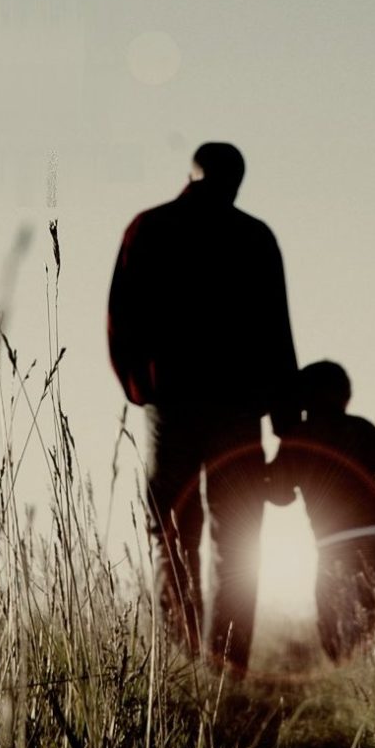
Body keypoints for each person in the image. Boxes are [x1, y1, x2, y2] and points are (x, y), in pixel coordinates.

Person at [107, 142, 298, 672]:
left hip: (176, 403)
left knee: (175, 533)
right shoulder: (253, 238)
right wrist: (284, 427)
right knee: (234, 536)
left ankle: (190, 664)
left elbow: (122, 317)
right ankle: (225, 669)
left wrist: (143, 386)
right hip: (233, 408)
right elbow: (277, 337)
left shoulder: (150, 229)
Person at [266, 360, 375, 663]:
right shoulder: (361, 428)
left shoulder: (297, 438)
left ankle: (344, 664)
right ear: (346, 395)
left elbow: (279, 495)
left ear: (303, 397)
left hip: (332, 540)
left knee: (330, 609)